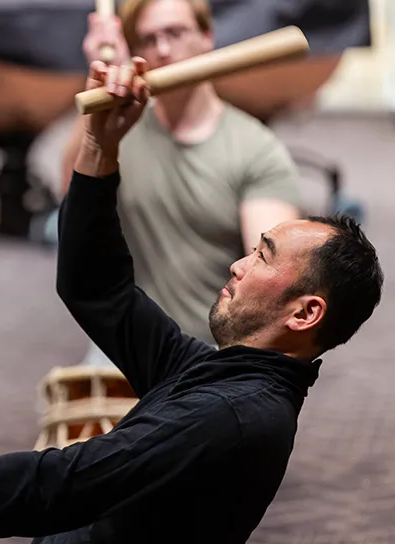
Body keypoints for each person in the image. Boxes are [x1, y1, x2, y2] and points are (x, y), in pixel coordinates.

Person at [0, 58, 384, 544]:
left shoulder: (232, 417)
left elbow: (60, 483)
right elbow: (98, 289)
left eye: (262, 256)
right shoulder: (213, 376)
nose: (237, 265)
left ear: (304, 314)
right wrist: (99, 144)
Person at [59, 0, 302, 360]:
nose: (163, 50)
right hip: (126, 341)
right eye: (148, 39)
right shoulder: (120, 128)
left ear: (206, 37)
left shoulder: (257, 151)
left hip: (208, 351)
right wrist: (104, 84)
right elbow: (71, 200)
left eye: (175, 33)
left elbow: (275, 280)